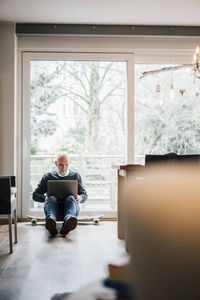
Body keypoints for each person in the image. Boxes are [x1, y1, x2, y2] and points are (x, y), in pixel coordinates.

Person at [33, 153, 87, 236]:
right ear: (56, 163)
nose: (64, 168)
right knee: (51, 198)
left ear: (69, 163)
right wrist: (45, 198)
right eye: (61, 165)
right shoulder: (48, 176)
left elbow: (84, 195)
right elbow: (35, 195)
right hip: (53, 210)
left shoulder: (76, 176)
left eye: (66, 165)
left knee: (71, 198)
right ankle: (51, 222)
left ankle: (68, 223)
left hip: (71, 211)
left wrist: (80, 198)